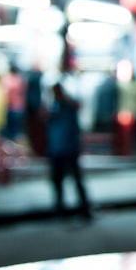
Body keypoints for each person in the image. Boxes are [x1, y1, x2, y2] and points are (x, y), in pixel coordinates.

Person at [42, 82, 92, 220]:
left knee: (76, 180)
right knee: (58, 181)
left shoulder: (69, 106)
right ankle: (61, 208)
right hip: (57, 149)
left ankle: (84, 208)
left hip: (68, 149)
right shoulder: (53, 108)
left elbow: (78, 107)